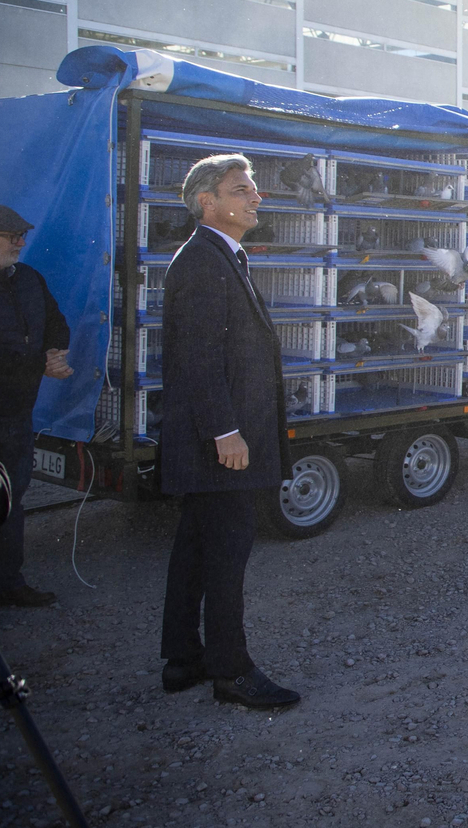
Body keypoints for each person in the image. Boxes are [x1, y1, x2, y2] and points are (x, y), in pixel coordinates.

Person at [159, 155, 299, 708]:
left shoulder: (220, 256)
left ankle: (182, 659)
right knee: (225, 556)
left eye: (253, 189)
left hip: (214, 442)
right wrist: (225, 432)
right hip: (219, 445)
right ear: (207, 202)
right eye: (241, 190)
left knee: (195, 549)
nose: (256, 197)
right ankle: (231, 671)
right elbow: (198, 358)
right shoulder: (203, 262)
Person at [0, 205, 71, 608]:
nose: (21, 244)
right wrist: (39, 363)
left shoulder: (28, 279)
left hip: (15, 416)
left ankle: (8, 583)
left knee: (11, 500)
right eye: (12, 237)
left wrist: (55, 352)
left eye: (22, 236)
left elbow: (56, 322)